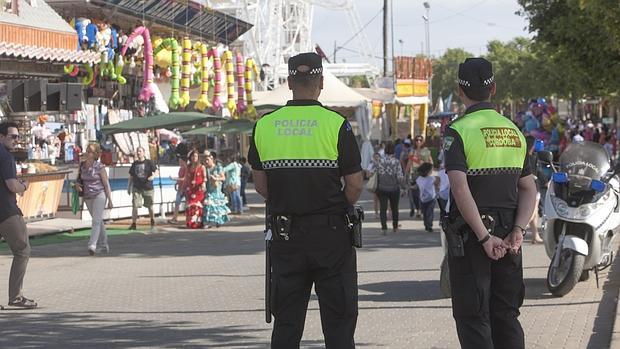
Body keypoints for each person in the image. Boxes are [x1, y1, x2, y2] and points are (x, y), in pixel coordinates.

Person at [248, 52, 363, 348]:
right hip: (331, 236)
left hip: (286, 237)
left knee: (286, 324)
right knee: (338, 324)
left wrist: (289, 200)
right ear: (321, 83)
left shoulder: (264, 125)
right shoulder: (336, 125)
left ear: (289, 82)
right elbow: (354, 184)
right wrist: (336, 206)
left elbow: (261, 185)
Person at [443, 58, 536, 349]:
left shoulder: (458, 131)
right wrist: (519, 229)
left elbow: (460, 188)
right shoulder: (514, 131)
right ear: (493, 88)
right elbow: (529, 188)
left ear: (460, 90)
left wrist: (483, 237)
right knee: (506, 314)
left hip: (473, 237)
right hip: (510, 236)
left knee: (474, 317)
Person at [0, 122, 37, 308]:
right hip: (6, 211)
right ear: (1, 136)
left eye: (17, 137)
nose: (16, 140)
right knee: (22, 250)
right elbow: (12, 186)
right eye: (12, 136)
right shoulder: (5, 156)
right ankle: (15, 296)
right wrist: (24, 186)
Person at [76, 144, 114, 255]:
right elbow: (78, 180)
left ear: (96, 154)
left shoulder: (100, 167)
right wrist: (77, 185)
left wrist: (110, 200)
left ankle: (92, 244)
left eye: (91, 151)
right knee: (98, 220)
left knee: (96, 221)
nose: (88, 153)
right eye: (87, 151)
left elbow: (106, 184)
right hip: (88, 196)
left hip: (99, 194)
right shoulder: (82, 165)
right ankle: (103, 245)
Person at [373, 142, 405, 234]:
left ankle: (384, 228)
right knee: (394, 208)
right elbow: (399, 177)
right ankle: (395, 227)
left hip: (382, 188)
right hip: (394, 188)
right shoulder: (396, 162)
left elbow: (373, 171)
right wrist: (403, 187)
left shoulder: (380, 161)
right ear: (393, 151)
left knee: (383, 208)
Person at [128, 146, 158, 230]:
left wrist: (153, 176)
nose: (138, 153)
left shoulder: (149, 162)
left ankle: (152, 220)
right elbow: (131, 176)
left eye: (140, 151)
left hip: (147, 187)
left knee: (150, 206)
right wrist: (129, 187)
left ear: (144, 152)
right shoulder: (134, 164)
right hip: (137, 187)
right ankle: (134, 223)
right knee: (135, 205)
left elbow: (156, 171)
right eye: (137, 151)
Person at [405, 135, 433, 218]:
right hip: (415, 174)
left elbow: (431, 162)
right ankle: (418, 208)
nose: (418, 142)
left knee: (422, 193)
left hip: (423, 174)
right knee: (414, 193)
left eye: (420, 140)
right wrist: (406, 173)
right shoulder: (412, 151)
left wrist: (429, 170)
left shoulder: (426, 151)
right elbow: (409, 163)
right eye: (417, 140)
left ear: (423, 141)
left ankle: (420, 210)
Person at [525, 136, 543, 244]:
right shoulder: (529, 158)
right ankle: (523, 225)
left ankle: (535, 235)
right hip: (533, 187)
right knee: (534, 210)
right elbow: (538, 173)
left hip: (533, 186)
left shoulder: (532, 157)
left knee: (536, 213)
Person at [203, 152, 230, 227]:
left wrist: (216, 178)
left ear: (212, 159)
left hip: (217, 190)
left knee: (217, 206)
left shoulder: (218, 167)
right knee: (208, 205)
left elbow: (223, 177)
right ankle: (208, 222)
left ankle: (218, 221)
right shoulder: (205, 168)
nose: (206, 161)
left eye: (208, 159)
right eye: (205, 160)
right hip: (209, 190)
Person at [185, 150, 206, 228]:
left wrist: (203, 185)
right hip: (190, 189)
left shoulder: (201, 167)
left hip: (198, 189)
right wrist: (185, 186)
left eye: (196, 156)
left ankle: (198, 223)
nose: (194, 158)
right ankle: (191, 222)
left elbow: (204, 178)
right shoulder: (188, 167)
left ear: (198, 157)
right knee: (190, 205)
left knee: (198, 206)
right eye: (193, 156)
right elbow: (186, 178)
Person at [415, 162, 437, 232]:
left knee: (428, 212)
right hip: (425, 198)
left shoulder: (429, 178)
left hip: (430, 199)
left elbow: (416, 186)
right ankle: (427, 225)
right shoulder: (431, 178)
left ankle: (429, 225)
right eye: (431, 170)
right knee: (426, 212)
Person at [168, 149, 188, 224]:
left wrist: (174, 179)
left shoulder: (186, 169)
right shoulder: (180, 169)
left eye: (180, 161)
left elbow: (184, 179)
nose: (179, 163)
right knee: (177, 203)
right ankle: (175, 217)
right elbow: (181, 178)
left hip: (185, 188)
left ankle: (187, 217)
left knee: (187, 203)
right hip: (180, 188)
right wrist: (177, 182)